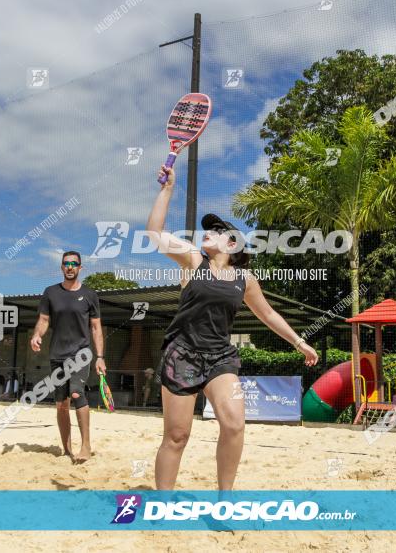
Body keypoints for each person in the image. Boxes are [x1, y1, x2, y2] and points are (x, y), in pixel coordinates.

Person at [147, 165, 319, 490]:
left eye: (217, 229)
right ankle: (163, 503)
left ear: (233, 243)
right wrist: (167, 190)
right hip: (181, 354)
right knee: (177, 435)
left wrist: (299, 342)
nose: (207, 232)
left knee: (235, 424)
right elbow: (155, 233)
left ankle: (225, 500)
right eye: (207, 229)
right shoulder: (193, 260)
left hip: (220, 358)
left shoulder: (245, 279)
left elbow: (269, 315)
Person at [31, 251, 106, 463]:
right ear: (61, 267)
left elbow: (96, 328)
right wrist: (37, 334)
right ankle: (66, 449)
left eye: (74, 263)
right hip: (57, 354)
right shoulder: (50, 293)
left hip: (81, 354)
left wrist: (100, 356)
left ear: (81, 267)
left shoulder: (90, 295)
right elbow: (44, 320)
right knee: (61, 404)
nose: (70, 266)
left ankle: (86, 446)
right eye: (66, 263)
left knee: (76, 393)